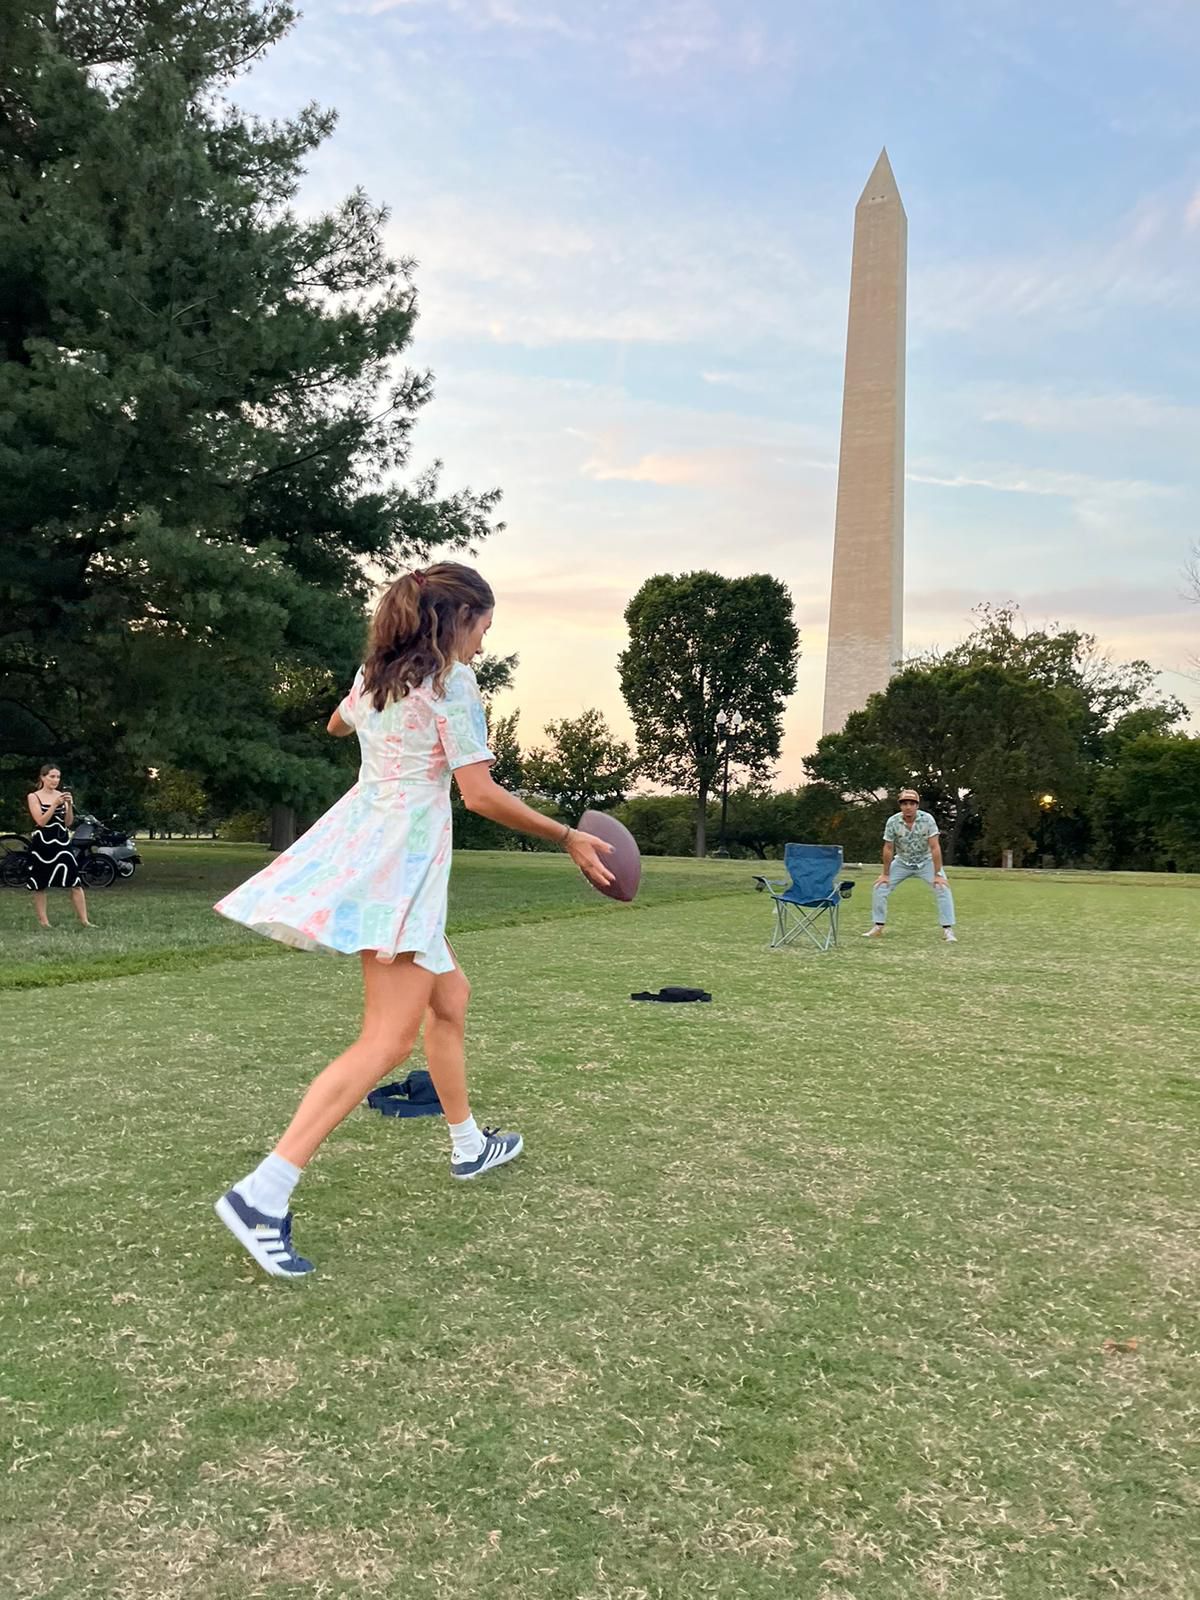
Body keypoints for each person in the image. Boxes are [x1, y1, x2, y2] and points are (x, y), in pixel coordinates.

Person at [212, 562, 614, 1279]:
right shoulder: (453, 683)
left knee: (450, 999)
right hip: (399, 867)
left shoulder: (377, 677)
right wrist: (567, 836)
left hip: (376, 854)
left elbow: (339, 724)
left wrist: (377, 712)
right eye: (484, 629)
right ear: (456, 620)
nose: (485, 647)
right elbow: (481, 795)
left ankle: (467, 1145)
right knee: (386, 1040)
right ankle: (262, 1194)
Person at [863, 787, 957, 943]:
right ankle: (878, 926)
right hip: (902, 862)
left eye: (912, 803)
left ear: (917, 805)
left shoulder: (927, 819)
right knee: (880, 887)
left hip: (925, 861)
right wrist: (885, 874)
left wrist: (937, 874)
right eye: (905, 803)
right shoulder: (893, 822)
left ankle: (948, 930)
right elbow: (888, 847)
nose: (908, 806)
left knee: (943, 888)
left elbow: (935, 847)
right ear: (900, 805)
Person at [25, 764, 92, 928]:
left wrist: (68, 805)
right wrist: (54, 805)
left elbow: (68, 822)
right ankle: (44, 922)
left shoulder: (61, 796)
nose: (55, 780)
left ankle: (84, 920)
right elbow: (40, 821)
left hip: (61, 842)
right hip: (43, 844)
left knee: (74, 881)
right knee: (40, 883)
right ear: (43, 777)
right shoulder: (34, 797)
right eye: (52, 777)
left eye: (58, 777)